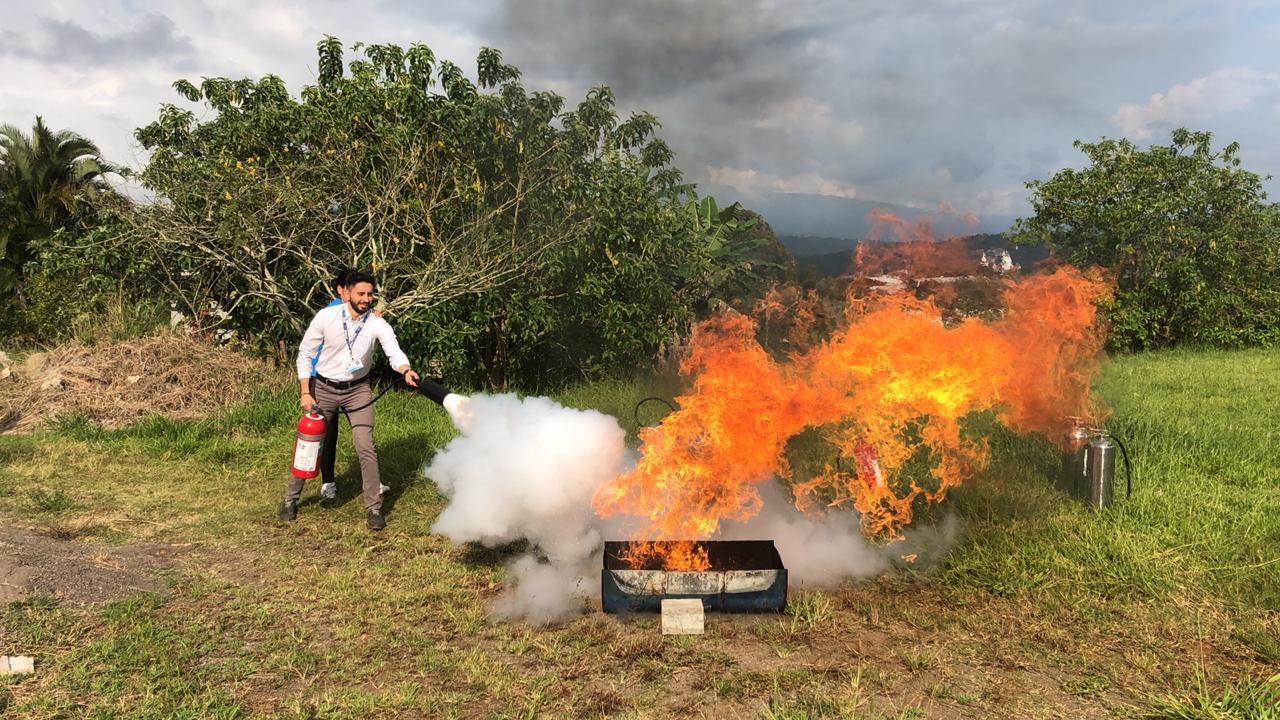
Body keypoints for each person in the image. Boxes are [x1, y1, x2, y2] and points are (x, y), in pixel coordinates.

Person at [279, 269, 418, 530]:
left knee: (365, 445)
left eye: (369, 294)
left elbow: (394, 352)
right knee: (309, 442)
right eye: (361, 293)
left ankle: (374, 508)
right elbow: (305, 353)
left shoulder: (377, 323)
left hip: (358, 390)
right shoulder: (326, 317)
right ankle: (290, 500)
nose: (366, 299)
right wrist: (305, 392)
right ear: (348, 293)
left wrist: (405, 370)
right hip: (324, 388)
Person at [312, 268, 387, 503]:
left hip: (354, 386)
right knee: (328, 434)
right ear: (343, 291)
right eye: (355, 291)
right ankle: (328, 482)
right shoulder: (330, 313)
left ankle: (372, 487)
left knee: (364, 439)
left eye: (368, 294)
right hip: (324, 382)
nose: (364, 298)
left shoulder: (364, 312)